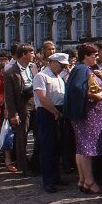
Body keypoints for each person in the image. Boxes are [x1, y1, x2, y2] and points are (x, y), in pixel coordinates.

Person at [67, 46, 102, 194]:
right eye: (93, 56)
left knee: (81, 148)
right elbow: (78, 89)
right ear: (85, 56)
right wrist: (95, 96)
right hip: (88, 114)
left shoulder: (80, 68)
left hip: (85, 113)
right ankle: (89, 181)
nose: (95, 58)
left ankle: (83, 180)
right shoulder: (83, 69)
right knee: (88, 149)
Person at [33, 52, 69, 193]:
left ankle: (56, 176)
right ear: (53, 62)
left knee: (57, 146)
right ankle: (48, 180)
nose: (62, 69)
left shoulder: (58, 77)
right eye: (61, 66)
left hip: (58, 110)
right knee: (47, 147)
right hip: (46, 112)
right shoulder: (41, 76)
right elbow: (42, 98)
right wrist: (54, 111)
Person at [3, 44, 38, 176]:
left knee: (38, 136)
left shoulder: (33, 67)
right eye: (32, 52)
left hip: (35, 103)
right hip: (21, 106)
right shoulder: (10, 72)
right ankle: (23, 166)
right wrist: (13, 114)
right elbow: (9, 95)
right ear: (24, 54)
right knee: (21, 137)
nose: (34, 55)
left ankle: (36, 162)